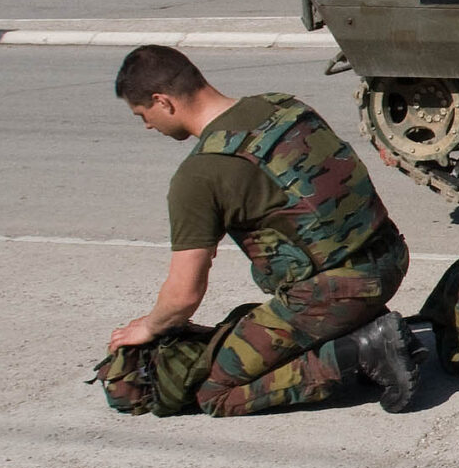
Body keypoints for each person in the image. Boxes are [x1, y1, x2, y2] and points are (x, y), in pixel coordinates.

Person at [108, 46, 417, 414]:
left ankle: (361, 349)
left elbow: (183, 296)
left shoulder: (200, 173)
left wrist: (148, 327)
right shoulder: (283, 106)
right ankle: (359, 325)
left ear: (164, 102)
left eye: (143, 114)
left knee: (215, 393)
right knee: (257, 305)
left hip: (338, 291)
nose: (146, 125)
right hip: (390, 256)